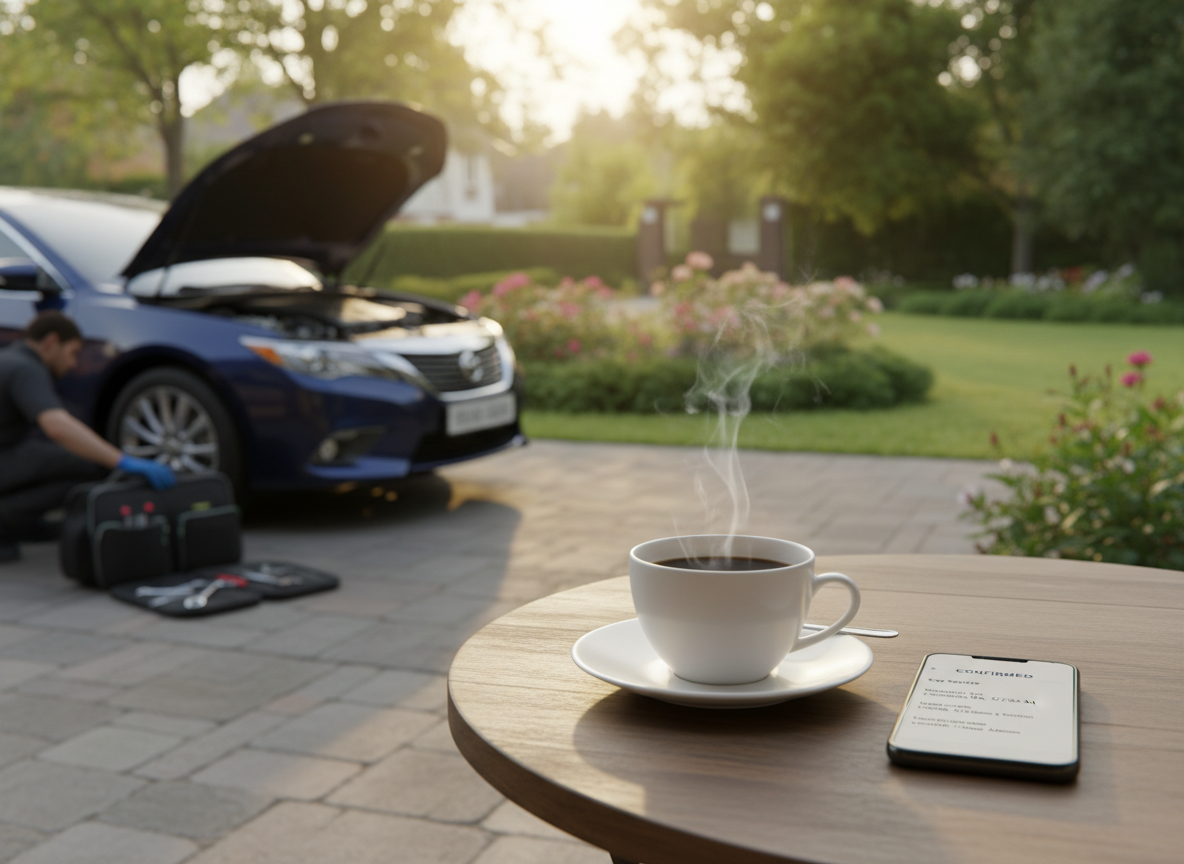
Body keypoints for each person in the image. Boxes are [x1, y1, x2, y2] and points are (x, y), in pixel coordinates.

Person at [0, 311, 175, 562]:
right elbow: (57, 427)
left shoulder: (7, 359)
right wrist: (122, 461)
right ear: (51, 342)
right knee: (87, 466)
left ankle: (20, 523)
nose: (73, 364)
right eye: (72, 352)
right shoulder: (26, 369)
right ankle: (6, 523)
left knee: (48, 455)